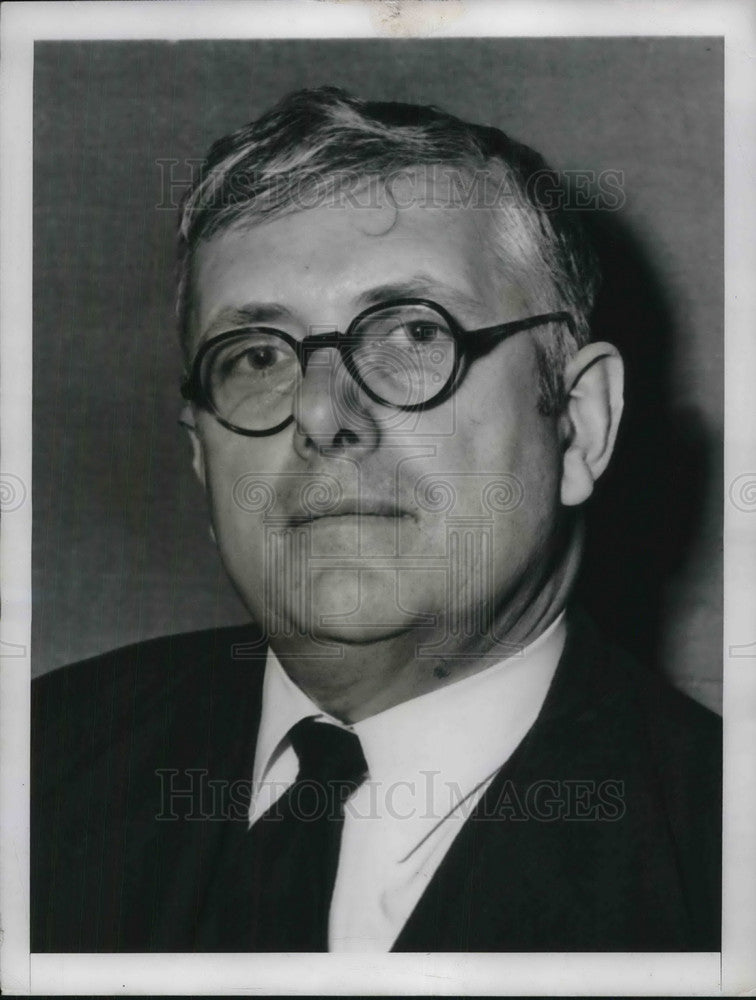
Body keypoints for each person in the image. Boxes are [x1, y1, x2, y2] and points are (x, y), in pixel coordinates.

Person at [32, 87, 721, 953]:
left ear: (579, 423)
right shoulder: (37, 763)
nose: (322, 413)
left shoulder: (723, 867)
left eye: (413, 335)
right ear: (202, 456)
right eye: (256, 355)